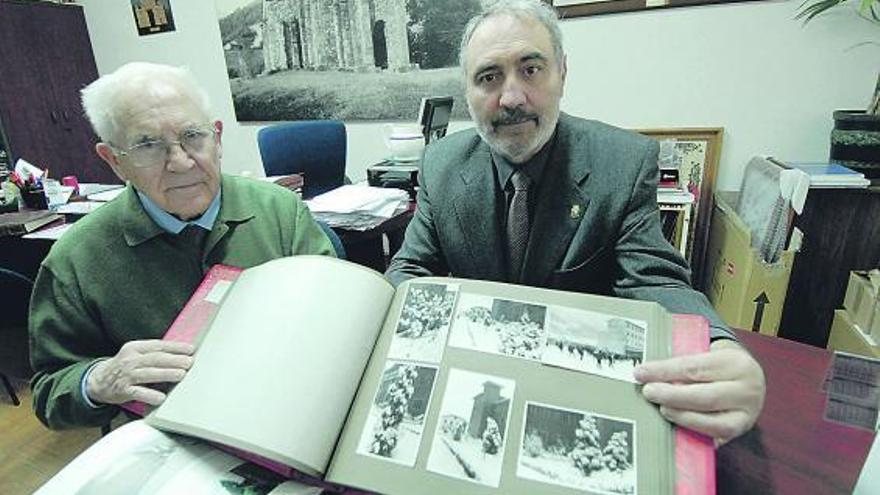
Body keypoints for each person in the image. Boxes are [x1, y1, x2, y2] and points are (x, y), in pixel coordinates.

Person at [385, 0, 765, 445]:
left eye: (531, 70)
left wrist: (717, 345)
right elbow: (410, 271)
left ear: (562, 73)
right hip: (477, 376)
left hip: (574, 393)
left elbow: (655, 282)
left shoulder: (622, 162)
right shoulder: (441, 164)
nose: (511, 98)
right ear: (468, 92)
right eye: (489, 77)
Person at [29, 63, 335, 429]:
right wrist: (98, 380)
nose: (180, 162)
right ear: (113, 160)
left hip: (285, 407)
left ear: (217, 139)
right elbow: (49, 391)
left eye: (193, 135)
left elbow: (334, 308)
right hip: (169, 435)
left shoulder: (281, 209)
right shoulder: (74, 260)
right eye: (147, 145)